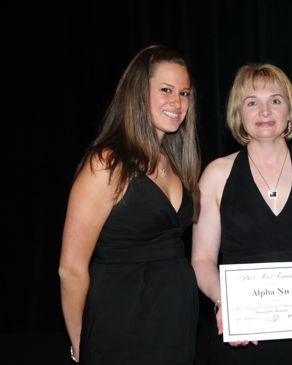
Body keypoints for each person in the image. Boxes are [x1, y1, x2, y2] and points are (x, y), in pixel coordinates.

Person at [191, 63, 292, 365]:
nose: (264, 111)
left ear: (290, 112)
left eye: (275, 100)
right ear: (239, 114)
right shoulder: (216, 174)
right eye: (252, 102)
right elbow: (201, 260)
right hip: (239, 338)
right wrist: (223, 303)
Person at [58, 44, 201, 364]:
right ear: (138, 92)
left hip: (175, 326)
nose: (177, 103)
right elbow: (71, 269)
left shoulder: (177, 162)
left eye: (185, 93)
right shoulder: (106, 163)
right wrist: (81, 344)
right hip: (118, 326)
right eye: (166, 90)